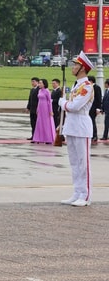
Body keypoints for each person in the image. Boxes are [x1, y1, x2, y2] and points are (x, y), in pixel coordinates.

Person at [58, 51, 94, 207]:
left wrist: (62, 103)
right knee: (74, 163)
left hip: (81, 126)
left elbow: (75, 106)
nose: (73, 67)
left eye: (76, 65)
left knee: (83, 163)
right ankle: (77, 192)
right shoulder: (76, 86)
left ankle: (85, 196)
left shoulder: (87, 86)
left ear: (83, 68)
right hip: (71, 126)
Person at [31, 79, 55, 144]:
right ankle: (39, 138)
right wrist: (37, 109)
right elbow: (39, 100)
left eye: (41, 83)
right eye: (39, 83)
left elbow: (49, 101)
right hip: (40, 107)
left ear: (44, 84)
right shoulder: (39, 91)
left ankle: (48, 138)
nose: (39, 84)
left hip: (46, 108)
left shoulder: (47, 91)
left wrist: (51, 110)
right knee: (39, 123)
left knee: (46, 123)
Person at [87, 75, 102, 143]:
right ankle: (90, 134)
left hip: (94, 108)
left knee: (92, 121)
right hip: (89, 107)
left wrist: (98, 108)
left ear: (91, 81)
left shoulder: (96, 87)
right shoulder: (89, 87)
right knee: (89, 121)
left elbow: (99, 98)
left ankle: (94, 135)